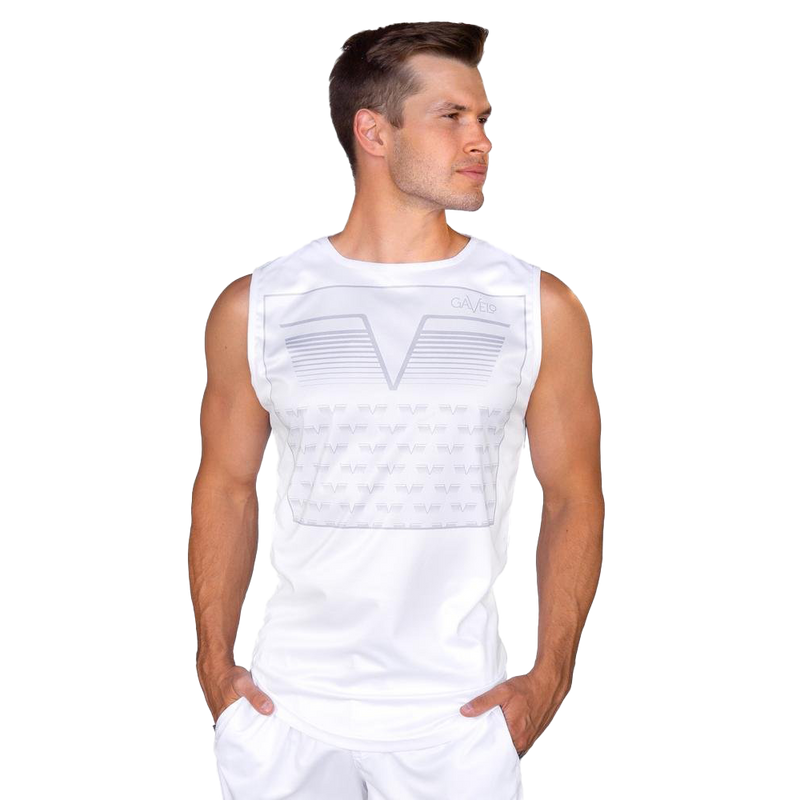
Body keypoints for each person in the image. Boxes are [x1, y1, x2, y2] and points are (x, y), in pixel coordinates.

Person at [189, 20, 604, 800]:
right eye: (452, 117)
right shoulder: (259, 303)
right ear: (374, 132)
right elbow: (227, 486)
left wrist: (550, 677)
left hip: (458, 720)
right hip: (287, 714)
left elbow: (576, 496)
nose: (481, 141)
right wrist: (213, 663)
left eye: (484, 119)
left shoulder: (536, 304)